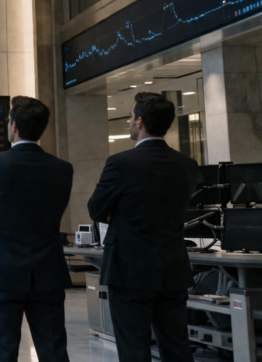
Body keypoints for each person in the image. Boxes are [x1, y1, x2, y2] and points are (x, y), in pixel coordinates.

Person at [88, 92, 197, 362]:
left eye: (129, 117)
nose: (128, 122)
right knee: (176, 345)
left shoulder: (120, 163)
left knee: (133, 347)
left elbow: (96, 209)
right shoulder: (188, 165)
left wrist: (118, 211)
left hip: (129, 270)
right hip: (172, 268)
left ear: (139, 122)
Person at [0, 96, 73, 362]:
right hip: (47, 272)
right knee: (53, 350)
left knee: (3, 351)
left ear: (14, 126)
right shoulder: (62, 169)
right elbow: (55, 211)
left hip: (0, 272)